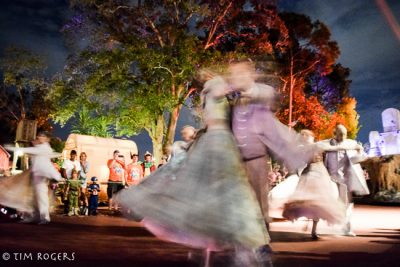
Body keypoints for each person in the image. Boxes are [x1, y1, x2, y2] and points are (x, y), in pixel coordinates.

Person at [116, 73, 271, 266]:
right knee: (225, 195)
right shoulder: (216, 91)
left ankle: (214, 252)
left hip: (217, 143)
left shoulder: (211, 97)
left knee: (211, 195)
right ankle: (236, 249)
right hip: (219, 143)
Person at [227, 61, 314, 232]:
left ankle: (263, 238)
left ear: (250, 74)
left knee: (259, 202)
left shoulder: (263, 91)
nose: (234, 78)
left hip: (255, 158)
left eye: (239, 73)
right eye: (233, 74)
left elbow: (271, 104)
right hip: (235, 159)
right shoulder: (232, 99)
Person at [282, 130, 348, 240]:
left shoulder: (318, 145)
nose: (304, 137)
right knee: (308, 200)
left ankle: (314, 229)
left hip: (319, 172)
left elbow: (332, 148)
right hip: (309, 172)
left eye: (306, 135)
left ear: (311, 137)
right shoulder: (301, 148)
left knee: (319, 201)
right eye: (302, 135)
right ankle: (312, 228)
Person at [2, 131, 63, 224]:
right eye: (39, 136)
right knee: (33, 198)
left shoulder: (44, 148)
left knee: (41, 196)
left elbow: (34, 153)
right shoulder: (41, 147)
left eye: (41, 136)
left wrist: (12, 148)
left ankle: (45, 218)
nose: (39, 138)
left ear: (46, 139)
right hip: (35, 176)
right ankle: (35, 216)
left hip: (41, 176)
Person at [322, 124, 370, 236]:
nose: (343, 136)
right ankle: (331, 223)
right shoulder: (328, 143)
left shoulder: (351, 144)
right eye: (340, 134)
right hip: (330, 178)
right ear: (335, 134)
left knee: (346, 204)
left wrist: (360, 152)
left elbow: (356, 159)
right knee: (329, 202)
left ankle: (346, 228)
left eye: (345, 134)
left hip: (344, 179)